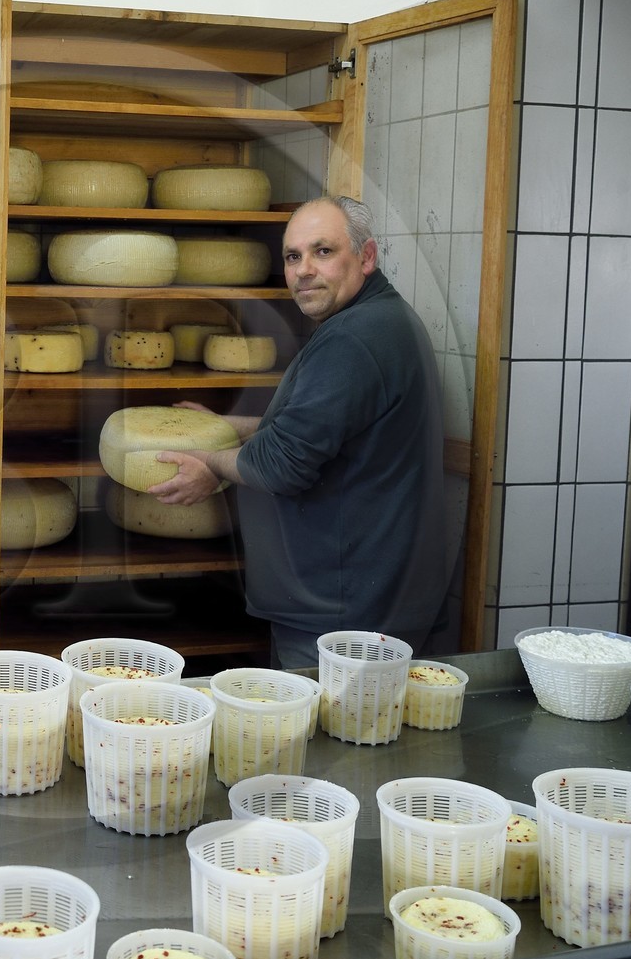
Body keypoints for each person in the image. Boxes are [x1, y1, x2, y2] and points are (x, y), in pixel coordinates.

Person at [149, 195, 447, 669]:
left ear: (366, 256)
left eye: (323, 252)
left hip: (340, 611)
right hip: (355, 596)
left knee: (328, 738)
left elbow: (281, 464)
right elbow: (322, 430)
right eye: (293, 256)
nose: (304, 269)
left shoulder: (353, 339)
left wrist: (210, 462)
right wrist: (224, 426)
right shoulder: (379, 322)